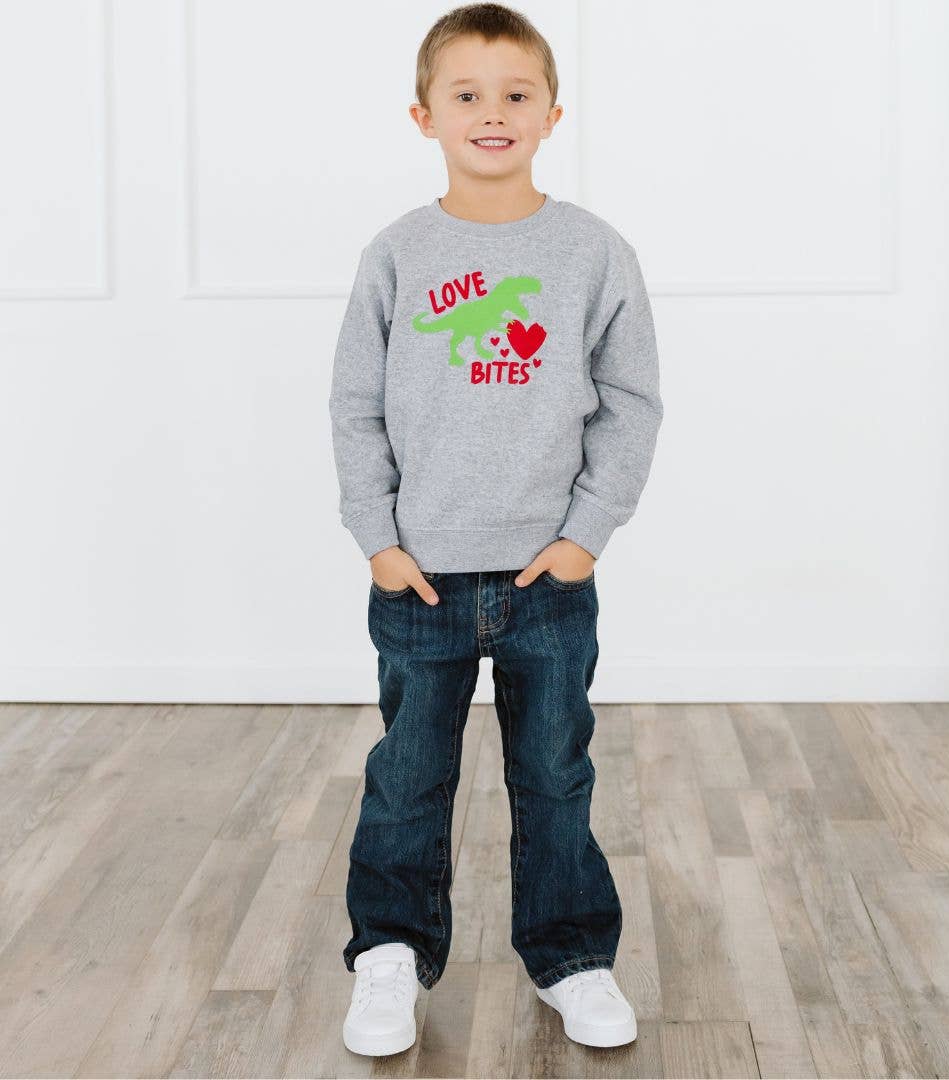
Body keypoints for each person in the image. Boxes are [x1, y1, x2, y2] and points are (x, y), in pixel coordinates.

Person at [329, 1, 663, 1057]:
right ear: (423, 114)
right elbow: (355, 405)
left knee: (555, 775)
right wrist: (377, 539)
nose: (492, 112)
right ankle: (390, 953)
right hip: (419, 577)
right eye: (466, 94)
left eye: (516, 94)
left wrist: (588, 533)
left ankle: (572, 957)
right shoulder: (396, 254)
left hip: (546, 579)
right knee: (408, 778)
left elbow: (631, 403)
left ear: (552, 114)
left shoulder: (592, 252)